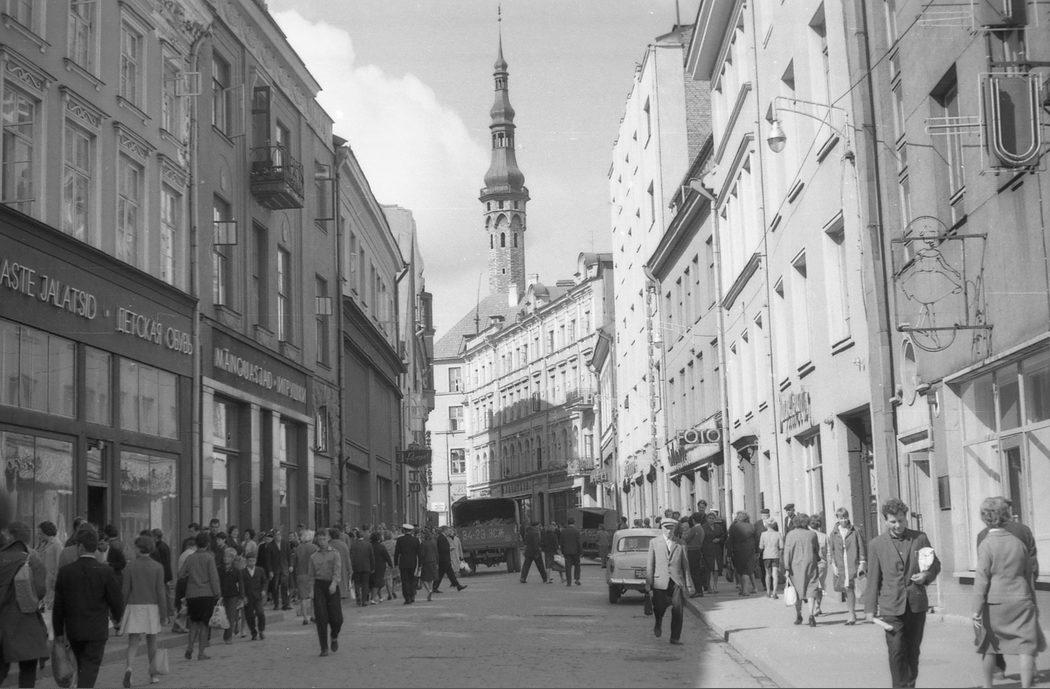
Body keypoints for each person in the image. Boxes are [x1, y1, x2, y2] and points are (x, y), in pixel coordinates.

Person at [864, 498, 940, 688]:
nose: (898, 525)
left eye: (901, 520)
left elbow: (935, 564)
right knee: (897, 651)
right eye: (893, 521)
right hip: (891, 606)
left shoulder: (920, 538)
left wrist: (926, 575)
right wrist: (869, 609)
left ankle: (909, 685)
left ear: (906, 518)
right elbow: (873, 578)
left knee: (913, 651)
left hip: (916, 604)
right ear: (885, 521)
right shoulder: (876, 544)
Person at [972, 496, 1046, 688]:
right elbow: (1030, 571)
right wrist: (1031, 599)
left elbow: (981, 578)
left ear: (985, 518)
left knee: (989, 646)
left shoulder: (985, 542)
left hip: (994, 602)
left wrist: (976, 609)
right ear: (1006, 515)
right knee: (1026, 646)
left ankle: (988, 684)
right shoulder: (1019, 541)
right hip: (1021, 597)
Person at [53, 527, 124, 689]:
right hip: (96, 630)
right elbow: (116, 600)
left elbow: (59, 606)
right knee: (90, 668)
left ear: (80, 547)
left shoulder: (66, 572)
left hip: (74, 629)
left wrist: (58, 632)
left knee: (81, 664)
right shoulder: (105, 571)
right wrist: (117, 618)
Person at [0, 522, 48, 688]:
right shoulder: (33, 560)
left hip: (3, 622)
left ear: (11, 536)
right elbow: (40, 591)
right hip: (27, 622)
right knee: (28, 671)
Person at [120, 534, 168, 687]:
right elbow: (161, 592)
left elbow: (125, 591)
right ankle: (153, 674)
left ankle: (129, 668)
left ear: (139, 548)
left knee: (133, 641)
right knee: (152, 641)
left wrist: (121, 610)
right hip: (152, 607)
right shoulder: (158, 567)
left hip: (134, 605)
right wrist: (164, 614)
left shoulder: (130, 566)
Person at [646, 518, 694, 645]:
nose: (669, 531)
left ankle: (675, 637)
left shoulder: (681, 543)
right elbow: (650, 564)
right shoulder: (654, 543)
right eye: (666, 528)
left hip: (676, 582)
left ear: (675, 529)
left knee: (678, 610)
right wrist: (648, 583)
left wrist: (689, 584)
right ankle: (658, 622)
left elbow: (686, 565)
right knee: (659, 607)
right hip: (660, 582)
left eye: (671, 528)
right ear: (662, 528)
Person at [177, 531, 221, 661]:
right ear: (207, 544)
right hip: (206, 594)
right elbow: (213, 578)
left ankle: (190, 647)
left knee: (194, 623)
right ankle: (201, 653)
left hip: (192, 594)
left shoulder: (190, 558)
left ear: (196, 544)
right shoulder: (209, 558)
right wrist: (217, 593)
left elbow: (180, 574)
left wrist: (191, 576)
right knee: (204, 625)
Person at [306, 529, 343, 657]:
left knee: (337, 618)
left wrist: (334, 583)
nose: (322, 541)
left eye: (324, 539)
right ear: (317, 540)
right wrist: (311, 590)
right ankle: (324, 648)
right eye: (320, 539)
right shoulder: (313, 557)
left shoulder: (335, 554)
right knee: (321, 617)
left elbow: (337, 570)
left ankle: (334, 635)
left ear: (328, 539)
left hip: (332, 585)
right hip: (319, 586)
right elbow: (311, 575)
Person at [828, 507, 866, 625]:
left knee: (851, 587)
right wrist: (833, 565)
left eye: (845, 517)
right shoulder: (834, 533)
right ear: (837, 518)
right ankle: (852, 613)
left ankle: (852, 614)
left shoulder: (855, 531)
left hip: (852, 562)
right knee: (846, 588)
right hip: (841, 564)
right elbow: (831, 550)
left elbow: (861, 547)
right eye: (841, 518)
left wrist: (862, 562)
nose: (843, 520)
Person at [783, 513, 820, 627]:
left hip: (795, 566)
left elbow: (787, 552)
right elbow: (816, 549)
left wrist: (786, 567)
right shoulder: (812, 534)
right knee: (811, 588)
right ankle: (811, 615)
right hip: (811, 564)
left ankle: (799, 615)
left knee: (797, 590)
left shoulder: (790, 534)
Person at [726, 511, 758, 596]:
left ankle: (745, 590)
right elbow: (756, 539)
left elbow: (730, 541)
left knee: (741, 571)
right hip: (750, 551)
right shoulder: (751, 526)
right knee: (747, 570)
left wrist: (728, 554)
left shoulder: (734, 527)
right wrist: (757, 551)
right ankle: (744, 589)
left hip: (738, 551)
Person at [261, 529, 292, 610]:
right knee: (275, 587)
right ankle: (276, 604)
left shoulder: (285, 543)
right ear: (274, 536)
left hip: (284, 568)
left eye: (279, 534)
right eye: (276, 535)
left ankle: (286, 604)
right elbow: (268, 560)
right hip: (275, 569)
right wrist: (270, 571)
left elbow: (289, 555)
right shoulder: (270, 546)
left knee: (285, 586)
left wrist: (290, 565)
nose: (278, 536)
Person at [217, 547, 242, 644]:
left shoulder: (236, 570)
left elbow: (241, 584)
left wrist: (241, 596)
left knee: (230, 616)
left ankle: (228, 637)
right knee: (222, 615)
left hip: (232, 595)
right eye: (224, 556)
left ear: (232, 558)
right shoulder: (219, 569)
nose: (225, 558)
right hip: (221, 595)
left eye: (227, 557)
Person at [241, 553, 267, 641]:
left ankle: (261, 630)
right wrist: (243, 596)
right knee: (249, 616)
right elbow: (241, 586)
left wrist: (264, 590)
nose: (251, 563)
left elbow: (264, 581)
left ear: (255, 561)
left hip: (258, 596)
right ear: (246, 561)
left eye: (253, 561)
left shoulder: (260, 570)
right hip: (248, 597)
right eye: (250, 561)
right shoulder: (242, 572)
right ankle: (253, 632)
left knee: (260, 613)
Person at [294, 530, 318, 621]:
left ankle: (304, 618)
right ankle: (313, 615)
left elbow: (295, 562)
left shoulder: (298, 548)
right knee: (313, 596)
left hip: (300, 574)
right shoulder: (314, 548)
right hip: (312, 575)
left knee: (303, 597)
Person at [394, 524, 421, 604]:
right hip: (413, 562)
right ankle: (412, 595)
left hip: (403, 562)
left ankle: (407, 597)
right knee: (412, 579)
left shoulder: (400, 540)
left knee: (405, 580)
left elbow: (396, 553)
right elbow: (419, 553)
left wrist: (395, 564)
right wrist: (420, 565)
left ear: (404, 530)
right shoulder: (416, 540)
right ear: (411, 531)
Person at [433, 527, 466, 593]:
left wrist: (449, 548)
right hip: (444, 559)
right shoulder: (441, 538)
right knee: (444, 574)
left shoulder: (443, 537)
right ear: (444, 530)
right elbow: (442, 549)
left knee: (449, 574)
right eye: (448, 530)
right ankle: (435, 587)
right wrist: (450, 548)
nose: (449, 532)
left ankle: (457, 586)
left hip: (445, 559)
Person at [701, 510, 726, 594]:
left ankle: (715, 586)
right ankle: (708, 587)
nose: (711, 520)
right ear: (707, 519)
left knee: (716, 569)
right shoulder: (703, 527)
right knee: (708, 570)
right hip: (707, 550)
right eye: (710, 518)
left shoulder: (718, 527)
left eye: (713, 518)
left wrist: (719, 539)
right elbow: (701, 539)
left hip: (716, 550)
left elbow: (723, 536)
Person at [809, 514, 829, 615]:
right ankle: (817, 606)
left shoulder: (807, 535)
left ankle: (812, 608)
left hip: (810, 563)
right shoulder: (824, 536)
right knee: (820, 585)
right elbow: (828, 552)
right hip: (822, 563)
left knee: (812, 585)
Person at [682, 514, 706, 599]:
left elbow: (687, 539)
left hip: (692, 550)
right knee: (697, 571)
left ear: (693, 520)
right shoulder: (701, 529)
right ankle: (699, 590)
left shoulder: (694, 529)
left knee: (694, 572)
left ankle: (698, 591)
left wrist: (684, 536)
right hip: (698, 550)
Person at [349, 529, 374, 606]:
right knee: (365, 584)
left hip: (356, 567)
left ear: (356, 536)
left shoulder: (353, 545)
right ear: (363, 536)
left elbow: (351, 557)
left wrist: (352, 566)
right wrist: (372, 567)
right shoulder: (368, 544)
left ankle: (358, 599)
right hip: (366, 566)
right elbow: (371, 557)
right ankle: (364, 600)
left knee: (357, 583)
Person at [759, 521, 782, 599]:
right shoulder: (778, 534)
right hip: (775, 555)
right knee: (775, 574)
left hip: (766, 556)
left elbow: (761, 547)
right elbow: (781, 546)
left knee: (767, 574)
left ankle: (768, 591)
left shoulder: (763, 534)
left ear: (767, 526)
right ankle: (775, 592)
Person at [368, 532, 392, 605]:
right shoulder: (381, 546)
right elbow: (387, 556)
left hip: (370, 566)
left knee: (374, 582)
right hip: (380, 566)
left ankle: (380, 597)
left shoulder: (369, 546)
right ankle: (372, 599)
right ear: (379, 538)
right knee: (378, 583)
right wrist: (390, 564)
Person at [328, 529, 352, 601]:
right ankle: (342, 594)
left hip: (330, 569)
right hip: (342, 567)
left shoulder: (328, 545)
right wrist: (350, 569)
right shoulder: (343, 545)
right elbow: (347, 558)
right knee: (342, 581)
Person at [559, 518, 583, 587]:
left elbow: (561, 542)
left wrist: (562, 551)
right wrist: (581, 552)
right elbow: (579, 542)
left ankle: (569, 582)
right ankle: (577, 579)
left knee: (568, 567)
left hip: (566, 552)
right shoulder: (576, 531)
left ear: (568, 523)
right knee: (577, 565)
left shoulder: (563, 531)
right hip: (576, 551)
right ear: (574, 523)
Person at [418, 529, 439, 601]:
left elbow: (422, 555)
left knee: (423, 579)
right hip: (433, 561)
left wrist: (420, 564)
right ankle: (430, 589)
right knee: (431, 579)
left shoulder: (423, 544)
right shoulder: (434, 542)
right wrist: (437, 562)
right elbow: (437, 553)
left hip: (426, 562)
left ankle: (429, 590)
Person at [381, 531, 399, 600]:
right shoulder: (395, 543)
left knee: (387, 578)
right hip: (394, 561)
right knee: (394, 577)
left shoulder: (382, 544)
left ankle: (390, 594)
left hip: (386, 562)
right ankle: (393, 590)